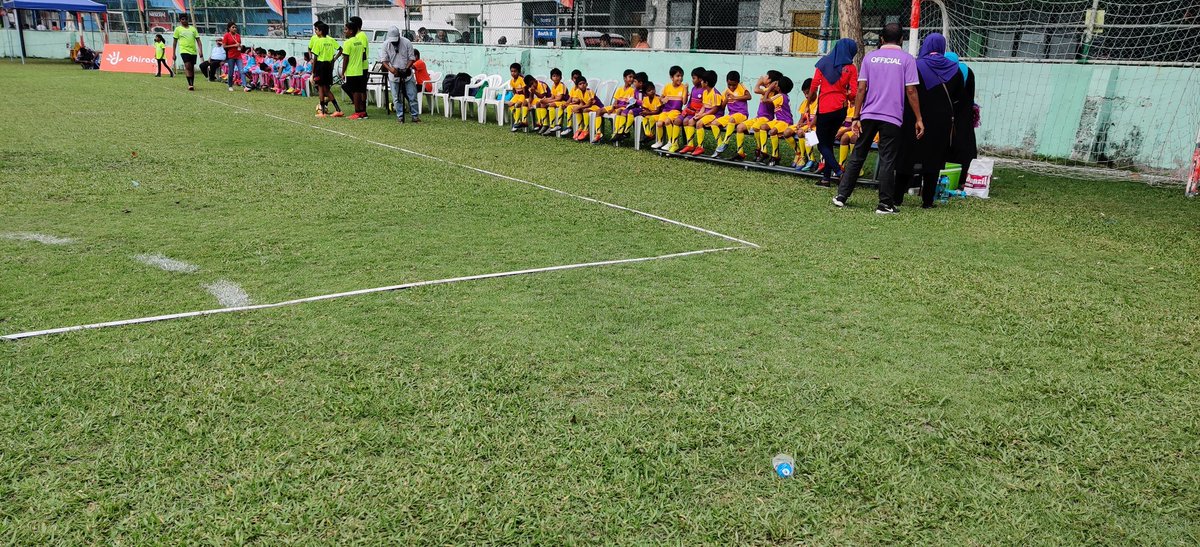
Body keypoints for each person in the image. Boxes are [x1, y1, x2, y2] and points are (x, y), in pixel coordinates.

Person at [834, 23, 924, 214]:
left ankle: (841, 196)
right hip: (892, 117)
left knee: (858, 154)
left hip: (868, 115)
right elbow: (911, 91)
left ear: (881, 39)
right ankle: (884, 204)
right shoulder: (907, 59)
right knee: (887, 159)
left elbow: (861, 89)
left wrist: (856, 116)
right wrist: (919, 118)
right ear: (901, 40)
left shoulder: (870, 57)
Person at [895, 33, 962, 208]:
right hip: (942, 120)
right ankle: (928, 200)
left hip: (915, 117)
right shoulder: (955, 69)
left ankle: (897, 198)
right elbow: (957, 97)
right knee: (934, 158)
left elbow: (907, 90)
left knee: (907, 155)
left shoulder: (915, 66)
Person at [807, 37, 858, 186]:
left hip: (825, 108)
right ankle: (825, 179)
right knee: (828, 143)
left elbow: (814, 85)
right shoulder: (851, 68)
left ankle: (839, 172)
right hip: (841, 109)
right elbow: (854, 93)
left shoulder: (823, 63)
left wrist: (809, 102)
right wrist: (845, 95)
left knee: (822, 144)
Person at [945, 51, 978, 178]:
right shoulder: (967, 71)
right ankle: (964, 175)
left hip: (949, 114)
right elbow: (970, 95)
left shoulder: (947, 73)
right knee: (965, 145)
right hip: (965, 114)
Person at [380, 26, 420, 123]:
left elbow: (412, 58)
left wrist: (406, 68)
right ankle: (400, 116)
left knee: (412, 95)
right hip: (394, 73)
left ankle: (415, 116)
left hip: (407, 73)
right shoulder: (385, 45)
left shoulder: (407, 42)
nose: (394, 42)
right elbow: (384, 61)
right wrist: (391, 69)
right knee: (396, 97)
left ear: (399, 36)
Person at [711, 71, 749, 157]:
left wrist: (736, 97)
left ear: (738, 82)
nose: (731, 87)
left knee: (732, 119)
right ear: (727, 82)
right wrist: (726, 99)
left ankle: (726, 142)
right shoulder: (726, 92)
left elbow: (749, 96)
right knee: (714, 123)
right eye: (729, 85)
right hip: (731, 114)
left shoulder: (741, 87)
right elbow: (722, 107)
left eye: (734, 85)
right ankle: (720, 145)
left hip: (742, 114)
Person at [309, 21, 342, 117]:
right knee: (326, 89)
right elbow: (341, 50)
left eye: (316, 30)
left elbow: (315, 58)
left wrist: (313, 72)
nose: (315, 31)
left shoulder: (318, 41)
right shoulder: (331, 40)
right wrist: (334, 59)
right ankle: (338, 110)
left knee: (320, 89)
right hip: (329, 66)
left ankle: (322, 112)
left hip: (320, 66)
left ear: (321, 31)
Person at [650, 65, 685, 150]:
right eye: (677, 76)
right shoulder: (667, 86)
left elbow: (684, 102)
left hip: (675, 111)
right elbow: (661, 98)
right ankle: (659, 141)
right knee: (659, 123)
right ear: (671, 77)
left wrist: (687, 90)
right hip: (666, 110)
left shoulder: (683, 87)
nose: (680, 78)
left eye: (681, 76)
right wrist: (663, 100)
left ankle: (670, 142)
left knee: (667, 121)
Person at [690, 70, 725, 156]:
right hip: (707, 114)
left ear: (706, 83)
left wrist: (702, 115)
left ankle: (700, 147)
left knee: (699, 123)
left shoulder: (715, 94)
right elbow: (704, 106)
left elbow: (715, 109)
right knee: (691, 121)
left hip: (714, 115)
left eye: (702, 81)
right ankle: (689, 144)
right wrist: (699, 114)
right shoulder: (705, 92)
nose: (700, 82)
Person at [339, 20, 369, 119]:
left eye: (346, 29)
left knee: (355, 92)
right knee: (360, 91)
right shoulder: (359, 42)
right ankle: (362, 112)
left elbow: (345, 59)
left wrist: (343, 72)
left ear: (351, 31)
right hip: (360, 70)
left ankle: (357, 112)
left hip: (352, 71)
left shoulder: (348, 43)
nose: (344, 31)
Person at [763, 77, 795, 166]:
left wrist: (769, 88)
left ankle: (775, 155)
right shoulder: (783, 96)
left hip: (785, 121)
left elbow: (764, 100)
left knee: (772, 131)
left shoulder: (780, 95)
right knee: (763, 127)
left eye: (776, 84)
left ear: (779, 88)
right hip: (778, 120)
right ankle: (763, 150)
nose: (775, 85)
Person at [676, 66, 706, 154]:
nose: (692, 80)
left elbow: (704, 106)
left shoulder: (704, 90)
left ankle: (697, 146)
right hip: (691, 112)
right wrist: (686, 108)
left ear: (700, 79)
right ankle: (690, 144)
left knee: (689, 121)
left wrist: (696, 113)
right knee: (684, 121)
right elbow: (689, 102)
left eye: (694, 78)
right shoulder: (693, 89)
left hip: (698, 114)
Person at [601, 69, 636, 142]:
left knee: (619, 111)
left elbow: (630, 104)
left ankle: (617, 132)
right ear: (624, 78)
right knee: (599, 111)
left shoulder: (633, 90)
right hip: (616, 107)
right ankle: (599, 134)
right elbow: (615, 101)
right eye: (630, 77)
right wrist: (612, 108)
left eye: (633, 77)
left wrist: (617, 107)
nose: (632, 79)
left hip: (624, 108)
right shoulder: (620, 89)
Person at [171, 14, 202, 91]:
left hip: (193, 51)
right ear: (180, 20)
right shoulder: (178, 29)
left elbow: (198, 40)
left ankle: (192, 83)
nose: (184, 21)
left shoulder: (193, 29)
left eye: (185, 19)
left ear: (188, 20)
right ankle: (190, 84)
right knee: (187, 66)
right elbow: (175, 42)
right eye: (182, 19)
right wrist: (173, 53)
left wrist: (200, 51)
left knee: (191, 67)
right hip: (184, 50)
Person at [221, 22, 246, 91]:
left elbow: (239, 44)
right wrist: (233, 45)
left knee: (241, 70)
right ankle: (230, 85)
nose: (235, 29)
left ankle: (245, 85)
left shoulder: (238, 35)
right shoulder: (226, 35)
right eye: (233, 27)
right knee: (231, 71)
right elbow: (224, 46)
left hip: (238, 55)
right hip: (231, 56)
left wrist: (240, 47)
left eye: (235, 27)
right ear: (229, 28)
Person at [507, 63, 528, 131]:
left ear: (518, 72)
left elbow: (525, 90)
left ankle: (516, 123)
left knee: (517, 104)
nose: (513, 73)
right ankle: (517, 119)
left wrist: (525, 98)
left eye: (515, 71)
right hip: (517, 95)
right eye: (511, 71)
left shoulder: (521, 79)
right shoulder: (512, 80)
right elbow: (513, 89)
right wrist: (515, 97)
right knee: (510, 104)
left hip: (522, 95)